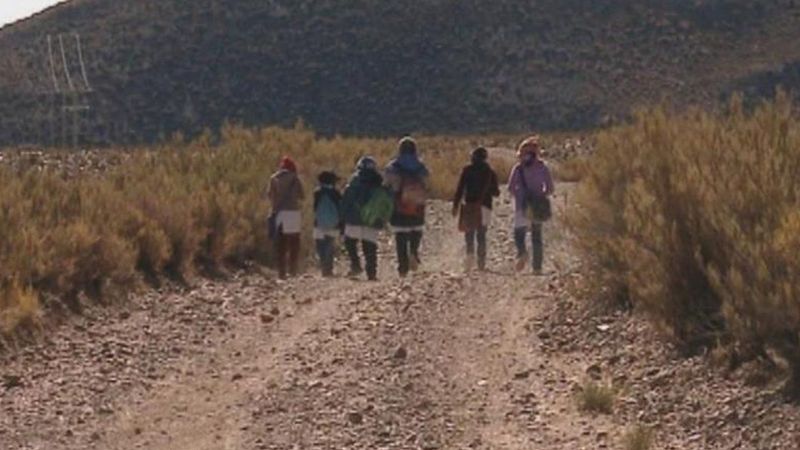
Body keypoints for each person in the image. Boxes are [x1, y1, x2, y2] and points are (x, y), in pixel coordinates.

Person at [508, 136, 554, 275]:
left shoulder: (518, 168)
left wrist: (519, 195)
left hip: (522, 205)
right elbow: (550, 188)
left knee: (519, 233)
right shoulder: (542, 167)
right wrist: (541, 195)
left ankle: (522, 253)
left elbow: (510, 187)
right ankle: (537, 268)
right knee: (536, 236)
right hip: (537, 206)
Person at [384, 137, 430, 277]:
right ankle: (414, 252)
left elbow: (387, 185)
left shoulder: (393, 166)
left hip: (399, 205)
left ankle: (402, 268)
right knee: (416, 230)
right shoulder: (420, 166)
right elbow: (427, 181)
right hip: (417, 205)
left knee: (401, 236)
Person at [452, 147, 500, 271]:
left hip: (470, 206)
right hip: (485, 206)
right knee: (481, 234)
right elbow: (496, 193)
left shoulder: (467, 170)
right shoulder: (490, 172)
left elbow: (460, 189)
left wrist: (455, 205)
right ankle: (481, 264)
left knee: (469, 234)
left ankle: (469, 258)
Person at [341, 157, 386, 281]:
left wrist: (342, 217)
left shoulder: (354, 182)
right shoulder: (379, 183)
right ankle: (371, 273)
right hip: (371, 220)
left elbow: (345, 201)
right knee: (370, 247)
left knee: (350, 243)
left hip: (354, 219)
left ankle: (355, 264)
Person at [266, 156, 305, 279]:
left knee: (281, 244)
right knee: (294, 243)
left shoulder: (273, 178)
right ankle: (293, 270)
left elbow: (269, 195)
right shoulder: (295, 178)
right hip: (293, 212)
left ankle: (281, 272)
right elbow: (302, 195)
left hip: (278, 213)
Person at [313, 170, 342, 277]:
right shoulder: (336, 193)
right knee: (330, 245)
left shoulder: (317, 192)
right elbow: (340, 208)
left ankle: (323, 267)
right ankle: (328, 268)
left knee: (320, 246)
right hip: (333, 224)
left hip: (318, 223)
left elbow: (314, 209)